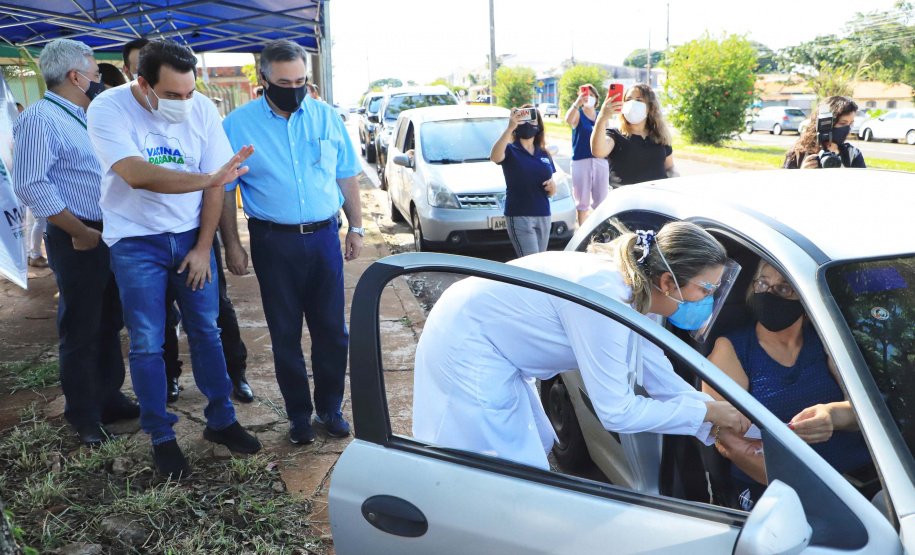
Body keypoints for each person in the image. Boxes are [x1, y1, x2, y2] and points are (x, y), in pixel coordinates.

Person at [413, 222, 749, 470]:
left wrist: (718, 418)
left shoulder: (633, 291)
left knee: (528, 452)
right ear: (666, 281)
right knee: (494, 470)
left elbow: (657, 371)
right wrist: (706, 412)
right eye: (705, 290)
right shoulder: (607, 299)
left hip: (489, 340)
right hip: (467, 345)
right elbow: (617, 411)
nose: (708, 300)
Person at [86, 39, 261, 478]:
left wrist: (204, 248)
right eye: (172, 95)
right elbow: (136, 174)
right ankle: (161, 437)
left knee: (207, 330)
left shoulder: (201, 107)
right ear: (141, 83)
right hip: (135, 242)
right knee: (147, 340)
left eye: (189, 92)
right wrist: (209, 177)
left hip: (188, 238)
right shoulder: (108, 108)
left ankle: (221, 420)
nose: (185, 103)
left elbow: (217, 187)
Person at [221, 40, 365, 445]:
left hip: (323, 238)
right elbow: (222, 190)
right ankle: (299, 416)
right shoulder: (237, 124)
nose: (294, 87)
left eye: (301, 80)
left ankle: (330, 408)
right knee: (284, 333)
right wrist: (232, 244)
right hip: (273, 242)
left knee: (332, 332)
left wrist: (356, 227)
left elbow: (347, 174)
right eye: (284, 81)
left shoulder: (326, 117)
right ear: (263, 78)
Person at [13, 38, 139, 446]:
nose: (100, 81)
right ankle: (83, 414)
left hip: (110, 231)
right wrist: (79, 231)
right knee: (81, 327)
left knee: (109, 321)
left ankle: (108, 397)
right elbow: (31, 184)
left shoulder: (88, 115)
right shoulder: (40, 118)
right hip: (79, 235)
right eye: (96, 74)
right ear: (76, 77)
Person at [704, 261, 871, 510]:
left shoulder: (828, 340)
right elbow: (725, 439)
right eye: (762, 284)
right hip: (779, 489)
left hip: (857, 479)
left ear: (805, 298)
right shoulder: (732, 349)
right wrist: (806, 490)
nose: (769, 295)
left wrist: (833, 416)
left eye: (783, 289)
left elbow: (870, 413)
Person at [490, 105, 557, 258]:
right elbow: (494, 156)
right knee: (530, 263)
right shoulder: (510, 150)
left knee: (540, 262)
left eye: (531, 119)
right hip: (520, 215)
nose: (527, 124)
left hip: (543, 215)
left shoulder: (544, 153)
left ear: (538, 125)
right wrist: (509, 128)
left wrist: (552, 188)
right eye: (523, 119)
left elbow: (551, 190)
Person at [591, 83, 678, 186]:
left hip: (656, 197)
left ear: (649, 107)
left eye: (639, 100)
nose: (632, 104)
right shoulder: (615, 135)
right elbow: (598, 151)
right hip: (628, 199)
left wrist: (675, 176)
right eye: (628, 100)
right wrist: (602, 118)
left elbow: (669, 167)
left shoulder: (659, 136)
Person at [565, 83, 609, 225]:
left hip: (600, 161)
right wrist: (577, 103)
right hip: (581, 160)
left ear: (596, 99)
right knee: (582, 200)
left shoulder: (600, 116)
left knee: (601, 198)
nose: (588, 98)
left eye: (591, 95)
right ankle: (582, 230)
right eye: (585, 95)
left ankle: (599, 230)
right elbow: (568, 120)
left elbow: (608, 136)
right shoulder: (577, 114)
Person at [784, 96, 865, 169]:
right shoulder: (798, 154)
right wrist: (801, 174)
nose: (847, 128)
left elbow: (863, 183)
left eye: (850, 123)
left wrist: (843, 171)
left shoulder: (852, 154)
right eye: (842, 123)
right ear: (825, 123)